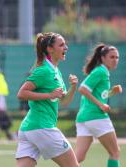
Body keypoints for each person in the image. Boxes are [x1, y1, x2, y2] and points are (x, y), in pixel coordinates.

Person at [15, 32, 79, 167]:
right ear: (50, 49)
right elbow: (21, 93)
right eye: (61, 45)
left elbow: (64, 101)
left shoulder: (56, 71)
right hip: (42, 128)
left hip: (29, 129)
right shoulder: (44, 70)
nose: (65, 48)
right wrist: (49, 95)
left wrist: (73, 87)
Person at [75, 43, 123, 167]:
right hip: (96, 116)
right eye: (112, 57)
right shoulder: (101, 71)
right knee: (115, 152)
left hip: (83, 118)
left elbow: (99, 96)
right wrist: (101, 106)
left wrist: (112, 92)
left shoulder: (103, 72)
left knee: (77, 158)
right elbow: (82, 89)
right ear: (103, 58)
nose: (115, 60)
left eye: (117, 57)